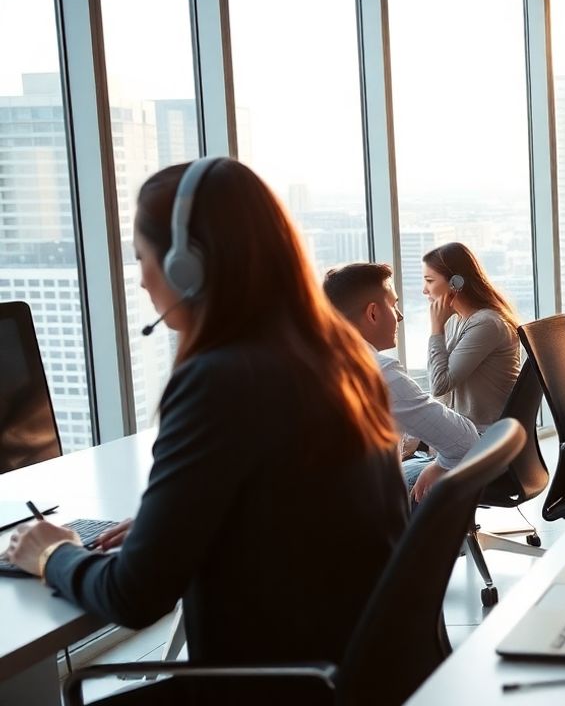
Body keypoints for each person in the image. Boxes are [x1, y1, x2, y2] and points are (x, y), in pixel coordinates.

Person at [3, 158, 408, 704]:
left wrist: (52, 554)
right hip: (356, 676)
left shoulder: (218, 379)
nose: (141, 278)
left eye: (141, 258)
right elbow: (295, 506)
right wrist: (174, 525)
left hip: (274, 689)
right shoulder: (339, 359)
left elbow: (134, 597)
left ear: (186, 267)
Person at [324, 262, 479, 503]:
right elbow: (465, 442)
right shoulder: (379, 373)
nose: (400, 316)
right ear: (373, 313)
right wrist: (439, 465)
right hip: (368, 513)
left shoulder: (309, 365)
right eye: (394, 305)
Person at [421, 243, 520, 430]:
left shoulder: (486, 324)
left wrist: (436, 329)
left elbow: (440, 385)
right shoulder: (454, 319)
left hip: (484, 434)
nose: (424, 290)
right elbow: (441, 392)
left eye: (429, 281)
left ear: (455, 283)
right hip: (463, 428)